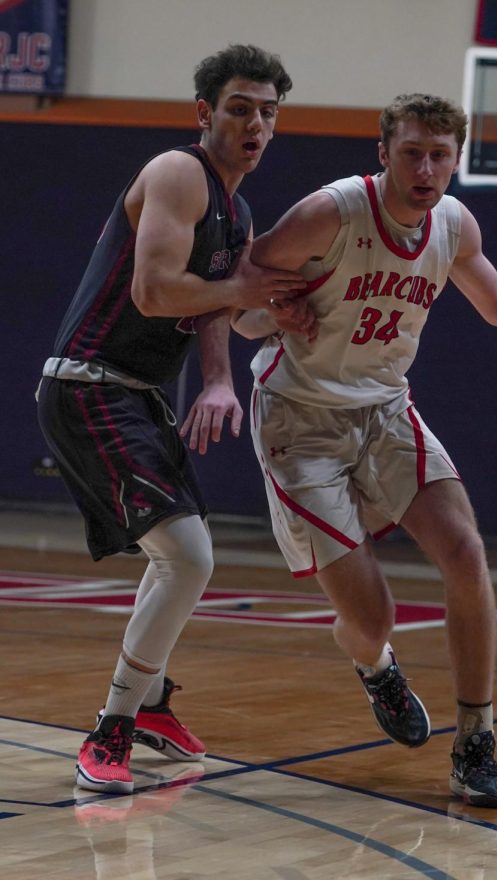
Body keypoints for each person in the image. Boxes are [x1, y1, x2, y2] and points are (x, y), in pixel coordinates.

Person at [225, 93, 497, 808]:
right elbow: (235, 303)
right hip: (300, 420)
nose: (424, 167)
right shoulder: (330, 212)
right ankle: (376, 665)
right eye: (411, 152)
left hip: (386, 409)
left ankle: (474, 742)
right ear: (382, 153)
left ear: (456, 159)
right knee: (372, 619)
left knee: (465, 553)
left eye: (438, 155)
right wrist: (270, 313)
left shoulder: (452, 224)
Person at [36, 44, 310, 795]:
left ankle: (150, 703)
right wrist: (250, 285)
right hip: (89, 383)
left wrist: (227, 372)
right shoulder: (177, 173)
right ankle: (112, 726)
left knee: (179, 559)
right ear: (205, 113)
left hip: (136, 395)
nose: (255, 123)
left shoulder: (239, 209)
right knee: (188, 558)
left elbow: (220, 303)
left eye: (267, 112)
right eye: (239, 108)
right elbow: (159, 293)